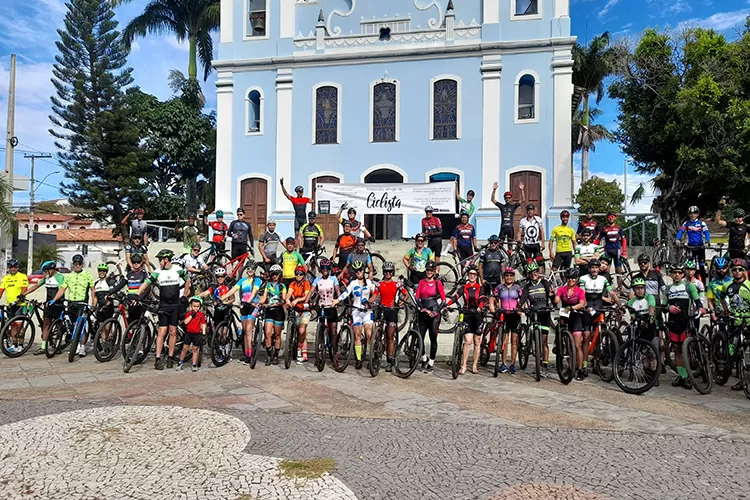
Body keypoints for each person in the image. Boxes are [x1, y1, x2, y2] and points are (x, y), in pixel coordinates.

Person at [137, 249, 191, 370]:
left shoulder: (177, 270)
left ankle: (170, 357)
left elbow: (188, 280)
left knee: (173, 332)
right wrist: (137, 293)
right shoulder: (157, 272)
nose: (159, 262)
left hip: (175, 306)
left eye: (160, 260)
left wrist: (185, 295)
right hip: (164, 306)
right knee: (162, 332)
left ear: (166, 259)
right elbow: (146, 283)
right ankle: (157, 359)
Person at [577, 259, 620, 380]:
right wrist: (586, 307)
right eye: (592, 268)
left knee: (599, 337)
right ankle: (584, 366)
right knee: (586, 337)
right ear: (589, 269)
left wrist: (619, 304)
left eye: (597, 267)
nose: (595, 270)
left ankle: (595, 363)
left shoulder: (603, 279)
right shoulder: (583, 278)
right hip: (587, 310)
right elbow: (582, 295)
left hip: (599, 310)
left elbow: (611, 292)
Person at [665, 263, 704, 388]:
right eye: (674, 272)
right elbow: (664, 306)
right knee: (676, 350)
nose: (677, 275)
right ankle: (682, 376)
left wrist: (701, 309)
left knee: (684, 349)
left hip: (685, 321)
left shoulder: (689, 286)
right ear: (671, 274)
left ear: (682, 274)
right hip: (673, 322)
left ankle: (686, 375)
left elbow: (698, 301)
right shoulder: (667, 288)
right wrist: (669, 307)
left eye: (679, 273)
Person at [334, 260, 376, 370]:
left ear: (364, 270)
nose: (359, 272)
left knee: (369, 334)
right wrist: (337, 300)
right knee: (357, 335)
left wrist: (372, 301)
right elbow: (345, 293)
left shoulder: (369, 282)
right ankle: (358, 359)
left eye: (361, 270)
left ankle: (371, 357)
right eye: (356, 271)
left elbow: (376, 292)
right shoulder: (353, 283)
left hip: (367, 311)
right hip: (356, 311)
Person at [51, 254, 96, 357]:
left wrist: (93, 303)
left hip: (82, 303)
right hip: (71, 303)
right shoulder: (69, 276)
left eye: (79, 264)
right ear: (73, 264)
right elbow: (62, 289)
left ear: (82, 264)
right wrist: (54, 299)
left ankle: (82, 347)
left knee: (81, 325)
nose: (77, 266)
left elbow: (93, 290)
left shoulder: (87, 275)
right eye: (75, 264)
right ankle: (75, 345)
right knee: (74, 325)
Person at [715, 258, 750, 390]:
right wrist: (725, 310)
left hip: (748, 321)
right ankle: (736, 376)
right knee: (733, 350)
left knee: (744, 349)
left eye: (739, 270)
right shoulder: (727, 285)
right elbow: (722, 297)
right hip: (734, 322)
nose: (736, 272)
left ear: (744, 271)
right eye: (734, 270)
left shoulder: (749, 285)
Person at [445, 266, 485, 375]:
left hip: (478, 316)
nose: (472, 276)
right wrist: (447, 304)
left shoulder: (480, 287)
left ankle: (475, 366)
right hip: (467, 314)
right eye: (470, 274)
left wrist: (480, 307)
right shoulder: (464, 287)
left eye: (474, 274)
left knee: (477, 342)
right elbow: (456, 297)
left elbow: (482, 299)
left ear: (477, 276)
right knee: (468, 341)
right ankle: (463, 366)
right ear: (468, 275)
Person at [220, 263, 262, 364]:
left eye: (252, 269)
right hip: (244, 307)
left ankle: (250, 355)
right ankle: (246, 355)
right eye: (248, 269)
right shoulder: (242, 280)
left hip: (252, 306)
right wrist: (222, 298)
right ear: (246, 270)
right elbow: (233, 290)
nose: (250, 270)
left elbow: (254, 291)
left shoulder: (257, 280)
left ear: (255, 270)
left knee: (248, 330)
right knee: (244, 332)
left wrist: (250, 301)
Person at [519, 262, 556, 377]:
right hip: (533, 313)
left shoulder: (545, 283)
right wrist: (520, 306)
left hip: (544, 313)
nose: (534, 274)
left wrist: (553, 298)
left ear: (538, 272)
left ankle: (544, 365)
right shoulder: (527, 286)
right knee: (537, 338)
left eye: (535, 272)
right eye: (531, 273)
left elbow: (552, 297)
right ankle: (533, 346)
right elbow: (524, 297)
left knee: (544, 341)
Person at [372, 261, 406, 372]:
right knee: (377, 335)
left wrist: (401, 303)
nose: (388, 273)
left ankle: (389, 361)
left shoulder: (397, 284)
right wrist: (367, 301)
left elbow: (406, 295)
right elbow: (375, 295)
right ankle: (376, 358)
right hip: (382, 309)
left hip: (392, 311)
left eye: (390, 271)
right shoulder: (379, 283)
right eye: (386, 271)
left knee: (389, 337)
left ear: (393, 272)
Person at [26, 261, 65, 355]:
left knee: (58, 325)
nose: (44, 273)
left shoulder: (59, 277)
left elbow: (61, 290)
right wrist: (24, 294)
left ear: (51, 269)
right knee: (46, 325)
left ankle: (58, 345)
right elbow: (36, 286)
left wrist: (55, 300)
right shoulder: (47, 277)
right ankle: (43, 347)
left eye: (45, 270)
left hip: (57, 303)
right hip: (48, 303)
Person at [415, 261, 446, 374]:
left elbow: (443, 300)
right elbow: (417, 298)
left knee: (433, 337)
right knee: (420, 337)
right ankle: (424, 359)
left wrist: (436, 311)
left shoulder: (438, 283)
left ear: (434, 272)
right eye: (427, 270)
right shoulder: (421, 282)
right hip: (423, 312)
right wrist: (423, 309)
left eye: (431, 270)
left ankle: (431, 362)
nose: (429, 272)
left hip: (434, 313)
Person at [489, 267, 522, 374]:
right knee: (504, 341)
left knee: (514, 341)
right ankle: (503, 363)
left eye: (511, 275)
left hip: (515, 316)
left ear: (513, 276)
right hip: (504, 315)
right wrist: (492, 306)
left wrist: (521, 309)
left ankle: (512, 364)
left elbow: (523, 300)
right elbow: (492, 297)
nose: (509, 277)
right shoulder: (499, 287)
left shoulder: (517, 287)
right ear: (504, 277)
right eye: (507, 275)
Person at [555, 268, 587, 377]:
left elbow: (582, 304)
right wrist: (553, 297)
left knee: (577, 346)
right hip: (565, 315)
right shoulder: (561, 289)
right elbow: (556, 299)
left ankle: (580, 369)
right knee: (568, 345)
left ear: (577, 279)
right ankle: (570, 367)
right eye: (569, 278)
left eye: (573, 278)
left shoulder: (580, 291)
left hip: (576, 316)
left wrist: (571, 308)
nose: (571, 280)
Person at [626, 277, 658, 384]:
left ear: (645, 288)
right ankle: (646, 373)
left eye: (641, 288)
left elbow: (651, 307)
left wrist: (651, 317)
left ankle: (654, 375)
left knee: (653, 352)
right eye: (637, 288)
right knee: (643, 353)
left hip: (650, 326)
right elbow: (633, 315)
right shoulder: (631, 302)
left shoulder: (650, 297)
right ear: (634, 290)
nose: (639, 290)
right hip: (640, 327)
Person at [311, 259, 342, 365]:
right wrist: (307, 302)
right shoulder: (317, 280)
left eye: (327, 269)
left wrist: (338, 300)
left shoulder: (333, 279)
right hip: (322, 306)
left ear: (329, 269)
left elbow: (337, 291)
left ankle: (334, 355)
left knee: (333, 333)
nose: (325, 270)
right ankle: (319, 354)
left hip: (331, 306)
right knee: (320, 332)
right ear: (321, 270)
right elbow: (311, 292)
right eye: (323, 269)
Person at [109, 253, 149, 324]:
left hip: (140, 301)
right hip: (130, 301)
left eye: (138, 262)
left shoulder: (144, 274)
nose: (136, 264)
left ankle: (143, 332)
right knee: (131, 323)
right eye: (133, 262)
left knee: (140, 323)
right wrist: (110, 293)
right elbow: (120, 286)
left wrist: (139, 298)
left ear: (141, 263)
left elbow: (148, 288)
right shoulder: (129, 275)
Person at [259, 264, 287, 366]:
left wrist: (279, 302)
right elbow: (264, 297)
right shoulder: (268, 285)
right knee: (267, 333)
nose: (275, 276)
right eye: (273, 274)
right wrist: (259, 303)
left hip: (278, 310)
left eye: (276, 274)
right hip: (269, 311)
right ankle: (269, 355)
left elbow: (283, 299)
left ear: (279, 275)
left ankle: (276, 355)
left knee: (277, 335)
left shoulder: (282, 286)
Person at [0, 258, 29, 353]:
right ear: (8, 268)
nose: (13, 269)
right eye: (11, 267)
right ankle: (14, 344)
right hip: (10, 305)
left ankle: (20, 345)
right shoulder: (6, 278)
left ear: (17, 268)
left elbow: (24, 289)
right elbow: (1, 291)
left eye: (14, 267)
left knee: (19, 325)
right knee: (12, 325)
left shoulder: (22, 276)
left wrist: (19, 299)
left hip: (20, 305)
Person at [285, 265, 312, 364]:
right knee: (300, 332)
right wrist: (287, 299)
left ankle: (300, 349)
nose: (298, 276)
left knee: (301, 330)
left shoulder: (306, 284)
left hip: (305, 310)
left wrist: (296, 300)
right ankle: (303, 353)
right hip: (296, 309)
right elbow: (289, 293)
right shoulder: (292, 284)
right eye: (297, 274)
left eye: (301, 274)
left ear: (304, 275)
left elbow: (306, 296)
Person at [676, 206, 710, 282]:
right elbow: (681, 231)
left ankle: (703, 283)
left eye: (695, 213)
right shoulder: (686, 223)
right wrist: (677, 239)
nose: (693, 215)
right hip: (690, 247)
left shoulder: (702, 223)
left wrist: (707, 241)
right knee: (690, 266)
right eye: (691, 213)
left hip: (700, 247)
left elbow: (707, 233)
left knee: (701, 266)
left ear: (698, 214)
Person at [491, 181, 525, 250]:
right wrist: (494, 190)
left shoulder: (513, 206)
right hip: (503, 228)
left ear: (511, 198)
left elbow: (523, 200)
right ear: (504, 198)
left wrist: (522, 190)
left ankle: (510, 258)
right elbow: (493, 200)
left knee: (510, 245)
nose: (507, 199)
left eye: (509, 197)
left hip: (510, 228)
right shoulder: (502, 206)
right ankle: (501, 258)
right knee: (500, 244)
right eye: (506, 198)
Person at [177, 296, 206, 372]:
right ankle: (180, 362)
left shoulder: (201, 315)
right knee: (185, 348)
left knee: (195, 349)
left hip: (197, 334)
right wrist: (191, 315)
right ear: (191, 306)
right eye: (194, 306)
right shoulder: (188, 314)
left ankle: (194, 364)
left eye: (197, 306)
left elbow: (203, 324)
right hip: (189, 333)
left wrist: (203, 333)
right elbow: (186, 322)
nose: (196, 308)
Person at [596, 212, 627, 277]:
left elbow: (624, 240)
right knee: (606, 272)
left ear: (615, 218)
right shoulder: (604, 229)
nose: (611, 218)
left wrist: (624, 252)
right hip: (608, 251)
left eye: (612, 217)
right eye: (609, 217)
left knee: (619, 273)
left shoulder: (619, 228)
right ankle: (608, 286)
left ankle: (620, 287)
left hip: (617, 252)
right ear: (607, 218)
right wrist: (591, 246)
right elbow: (598, 240)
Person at [519, 203, 545, 274]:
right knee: (529, 262)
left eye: (532, 210)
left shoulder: (538, 219)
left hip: (536, 244)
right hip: (527, 245)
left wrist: (543, 242)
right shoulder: (523, 221)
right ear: (526, 211)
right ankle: (531, 277)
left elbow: (542, 231)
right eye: (529, 210)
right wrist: (518, 240)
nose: (530, 211)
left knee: (540, 261)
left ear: (534, 211)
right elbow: (519, 232)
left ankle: (541, 277)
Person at [706, 257, 731, 322]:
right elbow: (710, 301)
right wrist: (713, 316)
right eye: (719, 268)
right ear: (715, 269)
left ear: (727, 268)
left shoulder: (732, 281)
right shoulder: (712, 284)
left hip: (732, 312)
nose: (721, 270)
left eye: (723, 268)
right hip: (719, 313)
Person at [93, 263, 117, 331]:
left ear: (106, 272)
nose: (102, 272)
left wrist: (107, 304)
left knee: (108, 328)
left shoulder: (109, 281)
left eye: (104, 271)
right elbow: (95, 297)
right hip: (99, 308)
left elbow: (112, 295)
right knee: (101, 329)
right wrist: (93, 307)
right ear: (98, 271)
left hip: (108, 308)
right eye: (100, 270)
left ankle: (110, 340)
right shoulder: (96, 283)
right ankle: (103, 341)